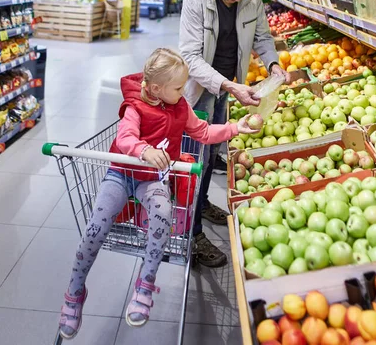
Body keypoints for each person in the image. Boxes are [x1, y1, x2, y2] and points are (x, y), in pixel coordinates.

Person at [57, 48, 258, 339]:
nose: (184, 91)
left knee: (163, 212)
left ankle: (145, 283)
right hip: (122, 173)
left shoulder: (181, 108)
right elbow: (125, 138)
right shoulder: (134, 106)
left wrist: (234, 128)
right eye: (178, 87)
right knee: (95, 229)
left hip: (152, 179)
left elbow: (202, 132)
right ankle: (75, 291)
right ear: (156, 88)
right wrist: (144, 150)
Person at [179, 0, 291, 267]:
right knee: (196, 158)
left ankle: (200, 205)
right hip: (201, 87)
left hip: (230, 84)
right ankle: (191, 233)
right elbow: (188, 56)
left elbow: (262, 36)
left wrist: (272, 63)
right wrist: (228, 86)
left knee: (214, 150)